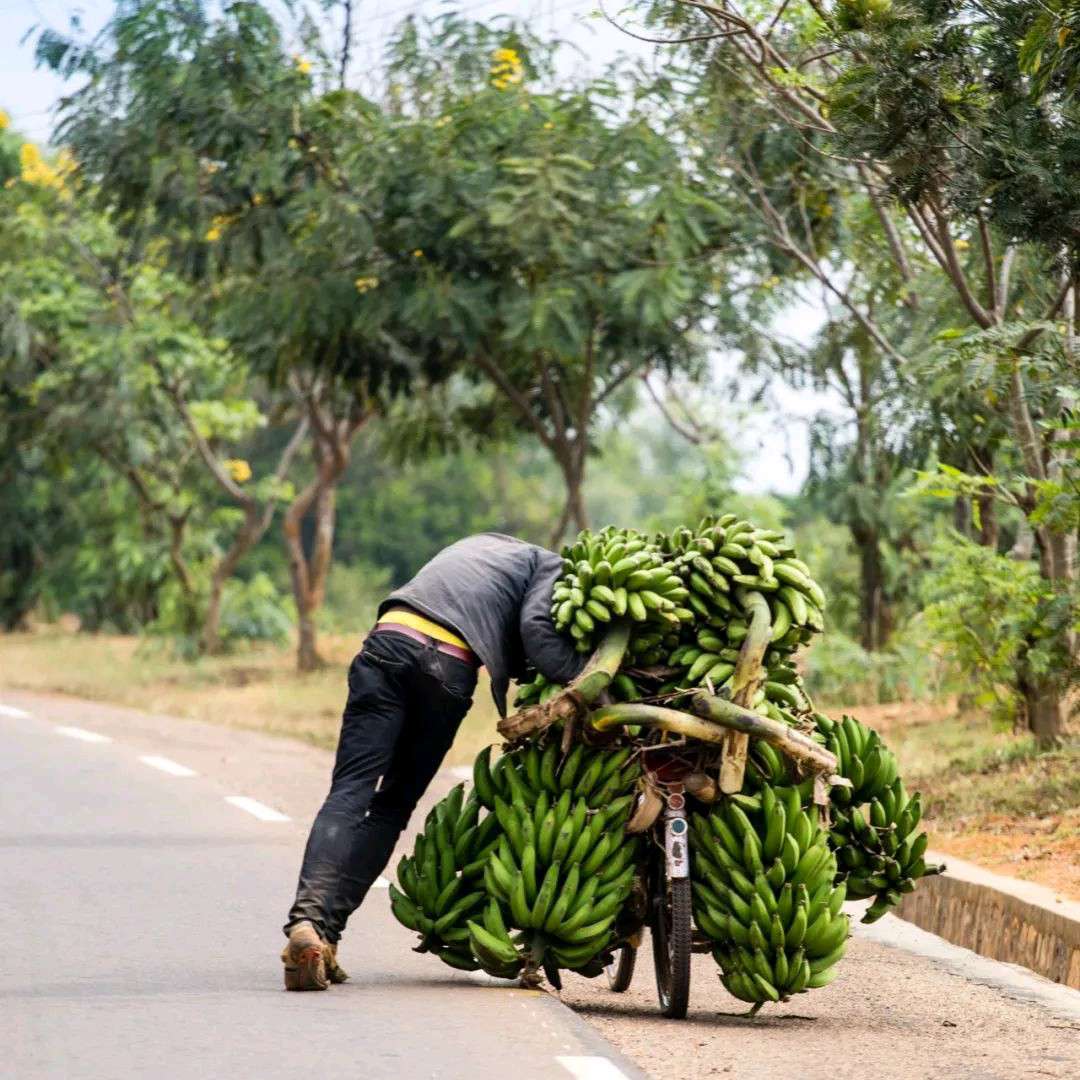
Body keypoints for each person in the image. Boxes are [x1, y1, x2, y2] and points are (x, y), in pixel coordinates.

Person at [281, 532, 584, 990]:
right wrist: (588, 674)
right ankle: (327, 931)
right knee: (390, 806)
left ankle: (313, 925)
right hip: (446, 670)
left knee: (350, 791)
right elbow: (538, 633)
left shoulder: (477, 547)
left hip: (387, 644)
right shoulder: (548, 564)